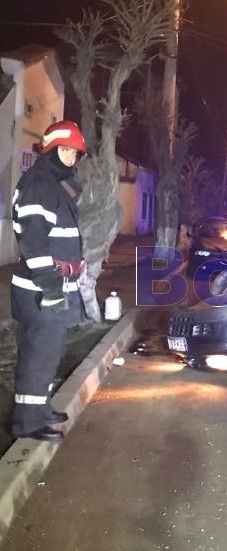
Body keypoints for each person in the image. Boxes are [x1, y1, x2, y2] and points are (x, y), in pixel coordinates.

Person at [10, 121, 87, 442]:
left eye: (75, 153)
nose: (70, 157)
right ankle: (27, 424)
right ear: (51, 150)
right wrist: (51, 285)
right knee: (38, 355)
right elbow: (34, 242)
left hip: (52, 287)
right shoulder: (39, 184)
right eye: (65, 150)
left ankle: (39, 410)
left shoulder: (53, 184)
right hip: (41, 290)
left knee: (49, 353)